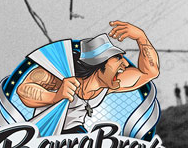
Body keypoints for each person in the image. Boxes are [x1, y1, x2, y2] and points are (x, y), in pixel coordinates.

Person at [17, 21, 160, 134]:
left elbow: (150, 72)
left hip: (75, 135)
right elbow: (23, 90)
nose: (124, 63)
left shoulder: (106, 86)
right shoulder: (63, 74)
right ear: (98, 63)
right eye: (117, 58)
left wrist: (141, 37)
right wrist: (54, 97)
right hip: (45, 134)